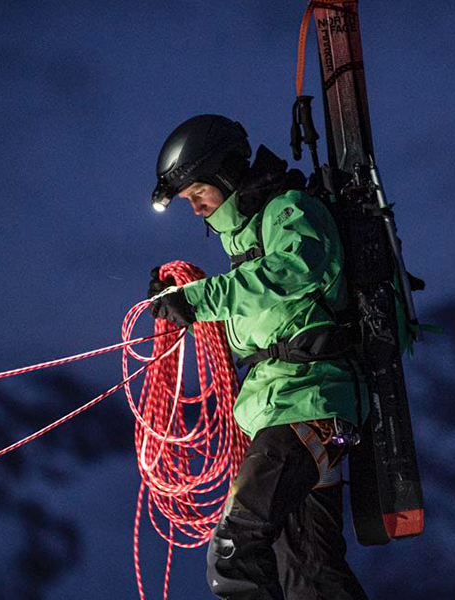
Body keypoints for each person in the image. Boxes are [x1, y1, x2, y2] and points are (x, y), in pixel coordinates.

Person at [148, 114, 369, 600]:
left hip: (309, 405)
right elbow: (251, 333)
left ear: (225, 173)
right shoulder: (244, 245)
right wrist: (183, 309)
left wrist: (201, 299)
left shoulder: (288, 211)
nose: (196, 208)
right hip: (290, 412)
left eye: (198, 192)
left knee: (234, 549)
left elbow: (297, 268)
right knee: (308, 572)